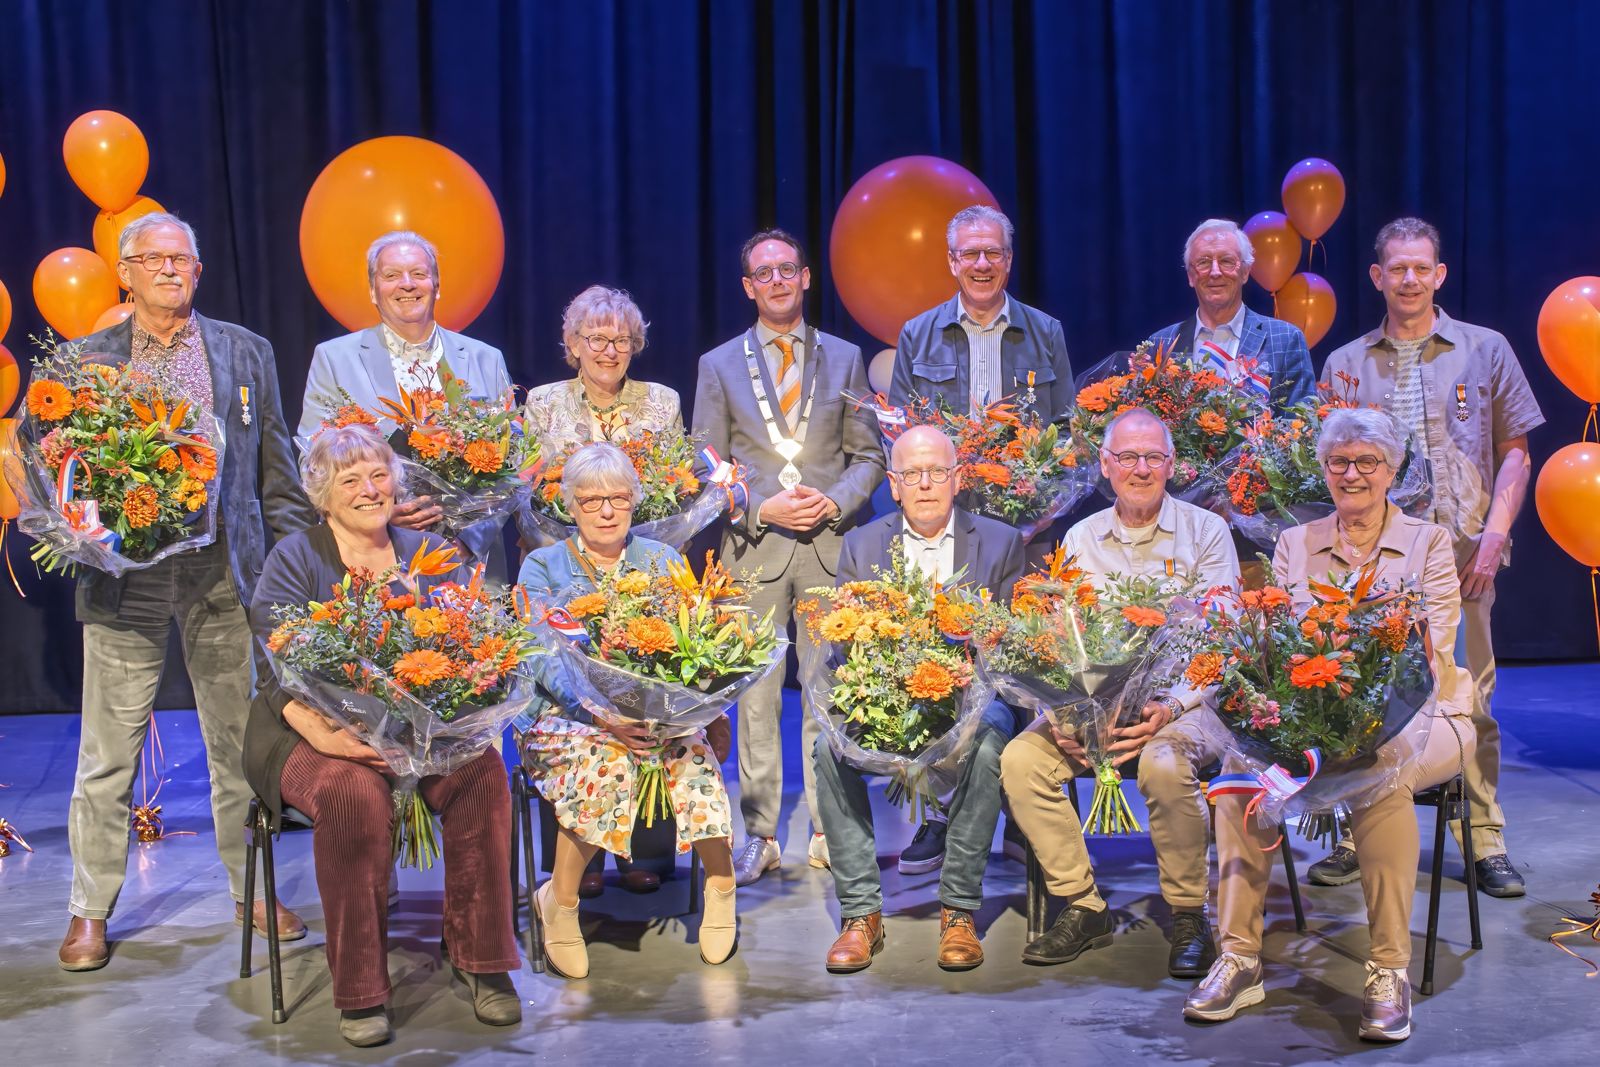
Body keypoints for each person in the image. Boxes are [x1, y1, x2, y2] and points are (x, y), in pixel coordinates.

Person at [57, 212, 315, 974]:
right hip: (124, 579)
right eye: (153, 259)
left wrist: (292, 568)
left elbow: (277, 469)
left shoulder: (244, 350)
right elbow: (61, 472)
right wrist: (79, 531)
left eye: (183, 260)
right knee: (109, 752)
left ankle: (251, 891)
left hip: (221, 572)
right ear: (124, 273)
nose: (171, 270)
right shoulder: (85, 361)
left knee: (239, 743)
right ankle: (87, 910)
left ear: (198, 273)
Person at [1183, 408, 1474, 1043]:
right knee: (1241, 772)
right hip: (1314, 718)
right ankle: (1238, 957)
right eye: (1339, 462)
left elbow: (1433, 655)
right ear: (1324, 469)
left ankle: (1388, 969)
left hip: (1424, 717)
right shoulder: (1295, 544)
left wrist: (1356, 705)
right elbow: (1283, 650)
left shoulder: (1429, 543)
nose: (1351, 473)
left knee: (1383, 774)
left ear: (1393, 470)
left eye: (1367, 461)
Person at [244, 425, 520, 1047]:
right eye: (350, 481)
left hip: (421, 731)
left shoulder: (429, 549)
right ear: (322, 494)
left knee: (480, 772)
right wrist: (327, 735)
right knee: (353, 794)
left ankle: (484, 962)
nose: (370, 491)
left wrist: (465, 714)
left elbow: (465, 643)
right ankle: (361, 989)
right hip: (312, 735)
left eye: (378, 476)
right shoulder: (295, 557)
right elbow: (274, 667)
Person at [1313, 217, 1543, 897]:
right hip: (1367, 560)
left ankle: (1482, 834)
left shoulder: (1485, 348)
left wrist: (1495, 538)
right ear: (1377, 277)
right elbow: (1325, 466)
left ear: (1439, 275)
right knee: (1351, 690)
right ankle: (1356, 829)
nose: (1409, 279)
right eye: (1397, 269)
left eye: (1422, 268)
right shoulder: (1346, 364)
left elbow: (1515, 453)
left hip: (1464, 555)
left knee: (1466, 695)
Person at [999, 408, 1238, 978]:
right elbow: (1057, 641)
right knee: (1021, 759)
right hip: (1093, 708)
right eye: (1127, 457)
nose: (1140, 468)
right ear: (1105, 466)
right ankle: (1083, 905)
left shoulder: (1208, 532)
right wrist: (1062, 713)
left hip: (1185, 703)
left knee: (1162, 762)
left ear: (1172, 465)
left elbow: (1225, 644)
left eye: (1153, 457)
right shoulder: (1080, 537)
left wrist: (1171, 707)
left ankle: (1187, 911)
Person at [693, 228, 885, 884]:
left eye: (787, 270)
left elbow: (869, 456)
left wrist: (832, 505)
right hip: (753, 550)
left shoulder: (845, 356)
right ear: (748, 286)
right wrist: (756, 507)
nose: (776, 281)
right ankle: (761, 832)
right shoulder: (718, 365)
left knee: (832, 686)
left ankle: (830, 827)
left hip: (830, 549)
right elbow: (707, 463)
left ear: (805, 278)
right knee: (754, 696)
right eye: (763, 273)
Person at [517, 442, 738, 979]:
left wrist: (705, 707)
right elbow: (540, 658)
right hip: (565, 719)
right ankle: (561, 902)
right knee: (611, 758)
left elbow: (693, 643)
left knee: (691, 753)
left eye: (618, 498)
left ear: (635, 502)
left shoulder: (661, 561)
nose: (607, 511)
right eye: (592, 501)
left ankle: (722, 885)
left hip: (655, 716)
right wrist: (600, 713)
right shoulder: (541, 567)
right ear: (569, 505)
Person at [815, 426, 1025, 973]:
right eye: (913, 474)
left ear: (958, 479)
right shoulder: (862, 543)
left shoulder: (1000, 542)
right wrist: (885, 686)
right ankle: (861, 914)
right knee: (826, 749)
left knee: (988, 740)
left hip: (973, 696)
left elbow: (1013, 651)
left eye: (937, 472)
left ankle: (957, 910)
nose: (926, 484)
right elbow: (843, 642)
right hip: (884, 692)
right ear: (894, 483)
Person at [298, 230, 514, 541]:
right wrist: (377, 514)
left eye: (418, 274)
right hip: (375, 548)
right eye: (392, 275)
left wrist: (471, 542)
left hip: (469, 558)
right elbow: (312, 461)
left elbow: (513, 468)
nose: (407, 284)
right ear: (373, 290)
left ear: (436, 286)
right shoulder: (334, 359)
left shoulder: (487, 359)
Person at [889, 204, 1075, 422]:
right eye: (969, 253)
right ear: (952, 262)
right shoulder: (917, 334)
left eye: (993, 253)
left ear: (1008, 259)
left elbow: (1066, 425)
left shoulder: (1047, 331)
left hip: (1024, 458)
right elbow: (899, 426)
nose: (982, 265)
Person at [1146, 218, 1316, 409]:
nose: (1215, 272)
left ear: (1245, 272)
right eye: (1203, 262)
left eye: (1227, 261)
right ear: (1190, 276)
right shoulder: (1161, 344)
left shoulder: (1286, 340)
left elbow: (1303, 426)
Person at [523, 285, 682, 447]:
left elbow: (679, 471)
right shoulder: (543, 402)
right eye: (598, 339)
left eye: (622, 340)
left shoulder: (664, 402)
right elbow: (529, 472)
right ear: (574, 344)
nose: (611, 352)